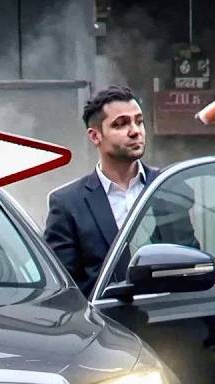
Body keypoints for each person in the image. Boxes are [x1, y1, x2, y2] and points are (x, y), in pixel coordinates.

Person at [43, 86, 157, 296]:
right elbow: (62, 289)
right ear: (95, 136)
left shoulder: (166, 185)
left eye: (139, 121)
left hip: (169, 312)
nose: (135, 131)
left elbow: (189, 264)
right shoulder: (68, 204)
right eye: (120, 124)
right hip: (103, 314)